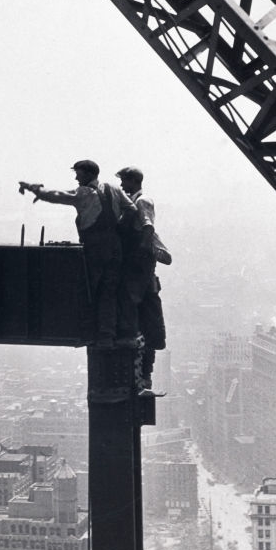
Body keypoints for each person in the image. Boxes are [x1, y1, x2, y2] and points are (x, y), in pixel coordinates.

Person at [19, 160, 138, 347]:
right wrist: (118, 228)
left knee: (90, 290)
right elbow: (131, 209)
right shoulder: (114, 189)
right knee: (109, 291)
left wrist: (37, 191)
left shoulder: (84, 194)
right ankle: (107, 335)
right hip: (114, 247)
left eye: (79, 174)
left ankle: (91, 333)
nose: (76, 178)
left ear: (89, 174)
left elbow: (59, 195)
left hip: (94, 248)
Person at [115, 166, 168, 388]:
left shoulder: (142, 201)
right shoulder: (132, 202)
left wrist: (141, 253)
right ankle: (144, 373)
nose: (121, 185)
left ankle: (145, 374)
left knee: (145, 320)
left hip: (140, 271)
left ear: (133, 181)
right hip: (137, 270)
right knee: (141, 319)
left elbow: (147, 226)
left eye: (124, 181)